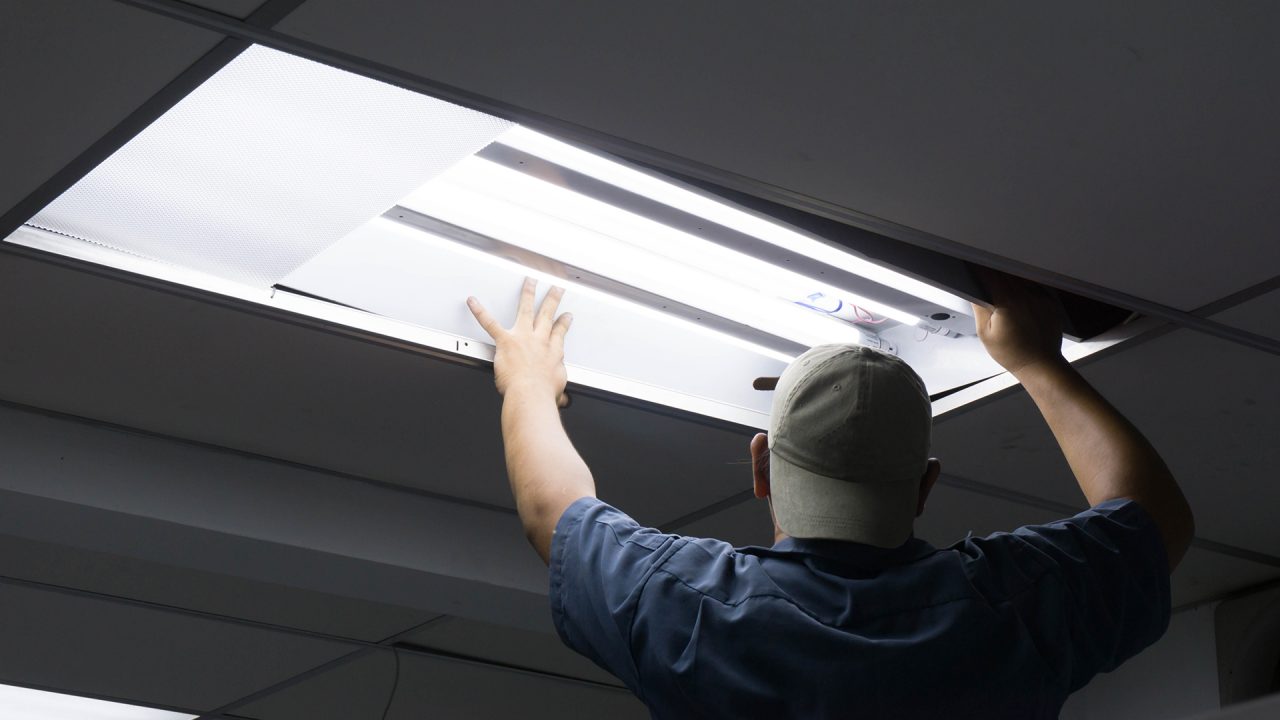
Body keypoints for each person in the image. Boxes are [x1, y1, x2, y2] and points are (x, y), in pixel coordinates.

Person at [466, 273, 1194, 719]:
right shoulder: (1011, 612)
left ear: (762, 468)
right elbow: (1153, 518)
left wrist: (527, 377)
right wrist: (1038, 362)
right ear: (924, 487)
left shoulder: (692, 613)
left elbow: (553, 512)